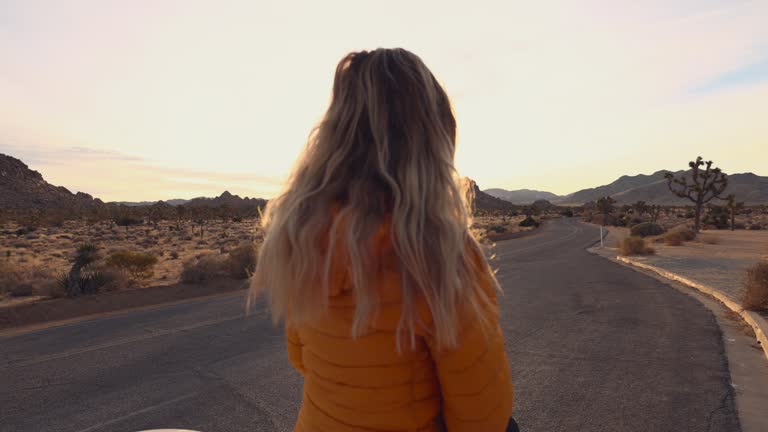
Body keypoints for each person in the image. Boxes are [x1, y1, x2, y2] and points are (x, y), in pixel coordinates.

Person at [249, 48, 515, 432]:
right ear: (433, 136)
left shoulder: (303, 238)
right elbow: (482, 413)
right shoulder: (435, 250)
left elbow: (302, 358)